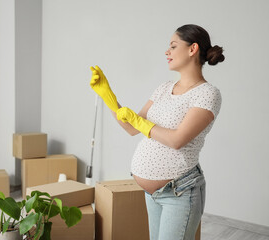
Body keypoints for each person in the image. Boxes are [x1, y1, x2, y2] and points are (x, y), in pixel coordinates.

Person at [89, 24, 224, 240]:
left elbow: (177, 140)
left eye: (173, 46)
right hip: (152, 194)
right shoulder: (163, 88)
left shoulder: (207, 94)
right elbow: (132, 127)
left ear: (193, 49)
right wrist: (108, 96)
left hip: (180, 192)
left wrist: (142, 123)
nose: (166, 52)